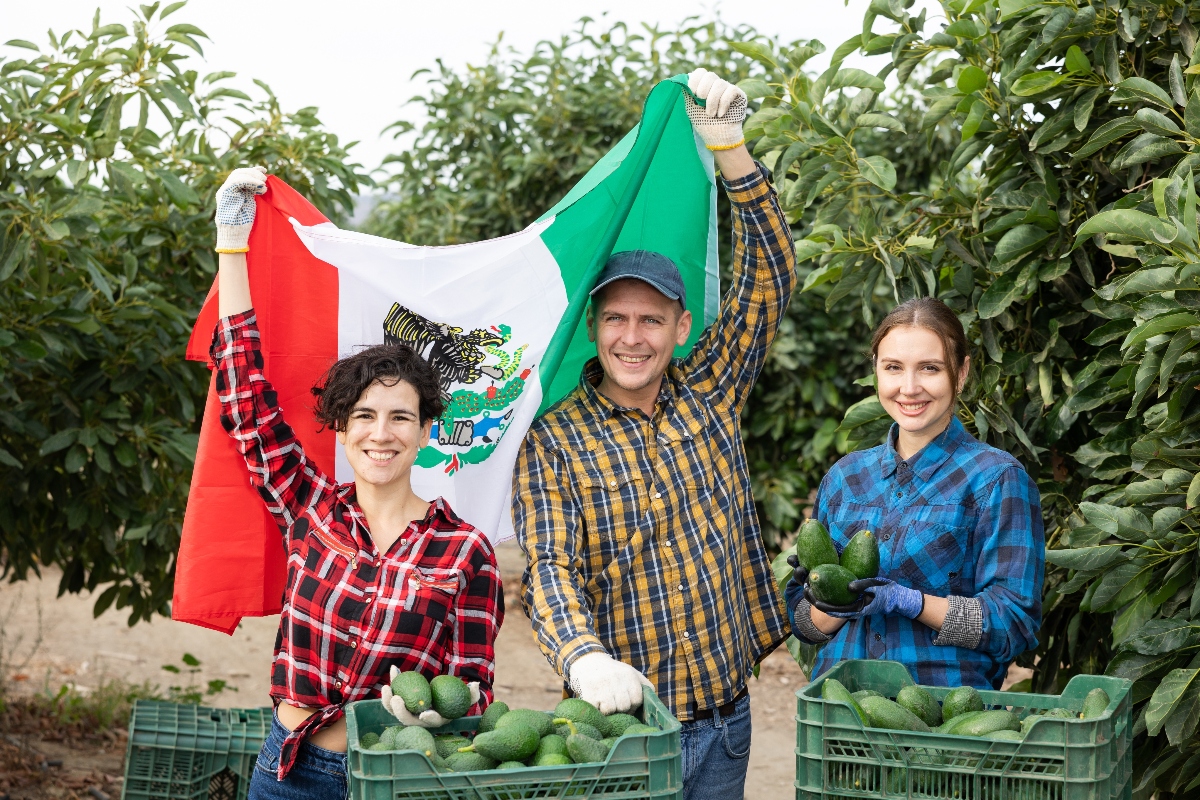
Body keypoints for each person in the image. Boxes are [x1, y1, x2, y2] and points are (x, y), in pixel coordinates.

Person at [512, 68, 796, 799]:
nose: (631, 337)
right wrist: (582, 657)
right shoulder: (554, 440)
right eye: (615, 318)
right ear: (593, 326)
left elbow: (768, 280)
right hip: (624, 734)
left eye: (650, 319)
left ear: (681, 326)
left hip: (726, 722)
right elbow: (550, 567)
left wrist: (732, 153)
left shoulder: (712, 389)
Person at [209, 166, 504, 800]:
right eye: (364, 416)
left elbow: (472, 689)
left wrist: (443, 713)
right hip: (288, 771)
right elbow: (245, 400)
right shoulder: (311, 509)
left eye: (401, 417)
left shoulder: (465, 552)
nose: (381, 433)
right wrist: (232, 247)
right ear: (342, 429)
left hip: (395, 780)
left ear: (426, 432)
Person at [785, 297, 1043, 689]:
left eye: (930, 368)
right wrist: (830, 600)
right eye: (893, 368)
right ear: (876, 371)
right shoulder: (845, 477)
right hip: (838, 710)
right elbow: (805, 627)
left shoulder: (996, 479)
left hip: (942, 715)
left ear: (961, 373)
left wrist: (912, 602)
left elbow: (1014, 625)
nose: (909, 388)